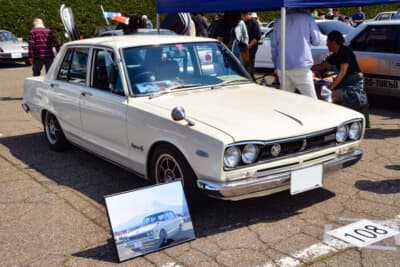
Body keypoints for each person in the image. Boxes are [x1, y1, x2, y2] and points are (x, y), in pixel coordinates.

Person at [312, 30, 370, 127]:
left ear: (333, 42)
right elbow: (323, 66)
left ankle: (328, 124)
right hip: (345, 82)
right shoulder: (335, 54)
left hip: (353, 85)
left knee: (326, 96)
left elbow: (342, 73)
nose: (326, 44)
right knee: (322, 92)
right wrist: (308, 69)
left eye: (327, 42)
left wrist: (330, 88)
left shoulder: (345, 52)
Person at [271, 8, 321, 99]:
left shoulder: (279, 20)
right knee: (312, 101)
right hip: (301, 66)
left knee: (285, 101)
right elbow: (317, 41)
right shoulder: (307, 18)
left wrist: (276, 65)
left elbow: (274, 46)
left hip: (283, 66)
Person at [244, 12, 261, 79]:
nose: (242, 17)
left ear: (248, 14)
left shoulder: (254, 23)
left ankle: (251, 78)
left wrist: (249, 45)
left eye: (243, 16)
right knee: (245, 65)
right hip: (245, 49)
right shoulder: (244, 22)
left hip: (251, 48)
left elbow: (258, 37)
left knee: (250, 64)